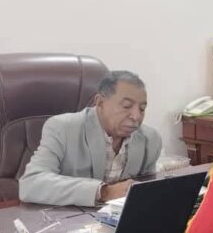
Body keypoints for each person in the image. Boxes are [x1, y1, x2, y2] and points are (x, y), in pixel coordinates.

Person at [19, 70, 162, 206]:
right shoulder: (62, 128)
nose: (136, 116)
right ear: (100, 102)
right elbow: (31, 184)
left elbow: (146, 189)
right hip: (67, 219)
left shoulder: (150, 139)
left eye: (142, 108)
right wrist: (103, 192)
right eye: (126, 106)